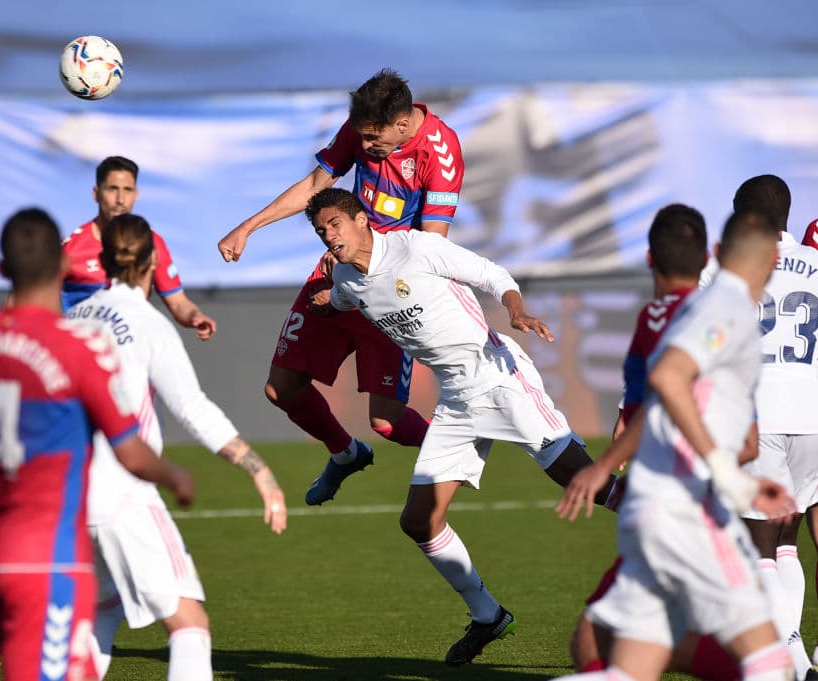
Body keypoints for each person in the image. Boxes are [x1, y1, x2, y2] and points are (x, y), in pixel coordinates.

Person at [307, 187, 617, 666]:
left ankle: (687, 523)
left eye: (335, 224)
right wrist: (328, 302)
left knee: (587, 482)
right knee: (418, 520)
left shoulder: (416, 247)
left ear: (363, 219)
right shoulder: (348, 279)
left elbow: (493, 275)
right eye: (321, 230)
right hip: (456, 401)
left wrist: (515, 310)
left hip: (497, 378)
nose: (329, 236)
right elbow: (344, 300)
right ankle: (488, 615)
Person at [0, 208, 194, 681]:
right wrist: (175, 476)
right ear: (65, 266)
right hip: (49, 557)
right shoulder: (79, 348)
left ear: (1, 271)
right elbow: (130, 450)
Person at [553, 209, 797, 681]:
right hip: (689, 514)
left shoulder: (696, 309)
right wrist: (727, 474)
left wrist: (605, 467)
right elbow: (669, 378)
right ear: (773, 263)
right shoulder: (725, 312)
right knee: (771, 665)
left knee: (627, 671)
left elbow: (665, 399)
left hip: (652, 510)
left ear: (719, 255)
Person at [217, 68, 463, 504]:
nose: (365, 147)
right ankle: (345, 453)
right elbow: (316, 184)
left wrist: (367, 277)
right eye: (362, 137)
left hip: (389, 289)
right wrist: (248, 227)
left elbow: (430, 247)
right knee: (281, 388)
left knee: (386, 423)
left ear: (403, 124)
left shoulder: (441, 153)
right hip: (335, 269)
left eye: (374, 139)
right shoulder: (361, 127)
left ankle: (452, 453)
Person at [67, 214, 288, 681]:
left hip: (65, 496)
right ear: (152, 261)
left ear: (102, 260)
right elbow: (192, 409)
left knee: (103, 610)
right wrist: (259, 471)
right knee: (189, 624)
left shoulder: (72, 318)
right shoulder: (147, 323)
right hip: (122, 495)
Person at [732, 175, 818, 678]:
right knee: (788, 540)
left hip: (760, 415)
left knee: (758, 544)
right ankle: (797, 655)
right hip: (813, 416)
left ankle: (795, 662)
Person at [62, 155, 217, 340]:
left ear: (136, 194)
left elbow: (177, 303)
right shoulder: (70, 249)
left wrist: (195, 316)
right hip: (82, 351)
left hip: (131, 347)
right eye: (112, 189)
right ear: (96, 193)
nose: (120, 199)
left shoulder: (151, 243)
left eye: (127, 190)